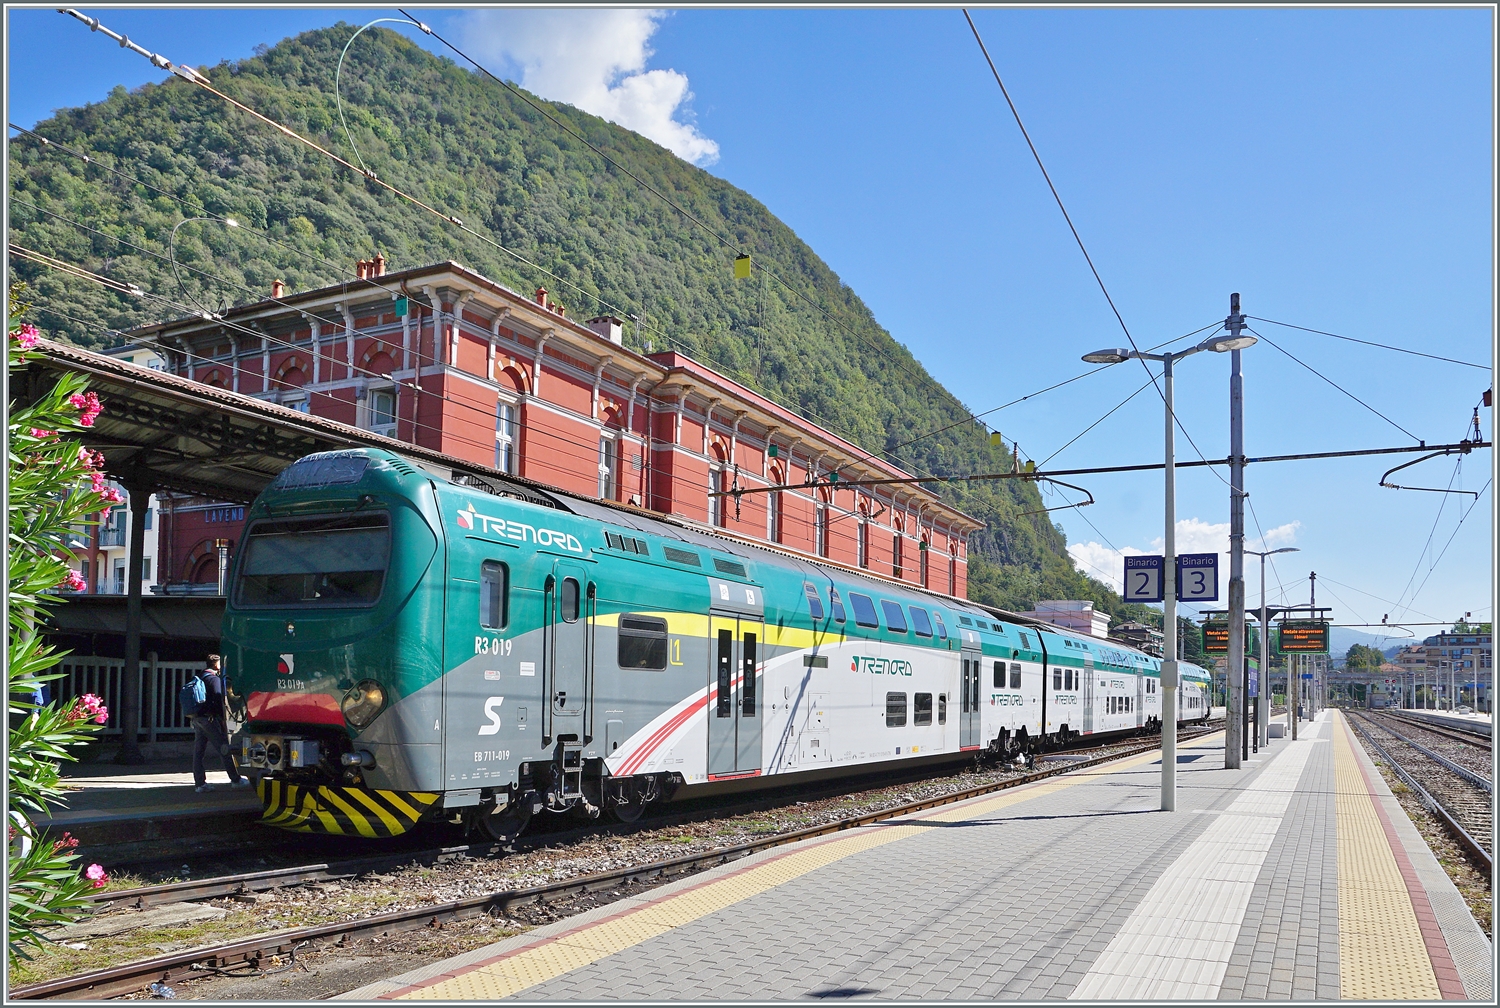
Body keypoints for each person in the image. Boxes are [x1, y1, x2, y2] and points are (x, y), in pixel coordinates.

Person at [192, 654, 250, 792]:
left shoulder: (200, 677)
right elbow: (219, 700)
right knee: (224, 748)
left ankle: (200, 784)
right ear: (216, 665)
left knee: (198, 752)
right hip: (210, 720)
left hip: (198, 719)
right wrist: (224, 719)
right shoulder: (213, 679)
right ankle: (235, 779)